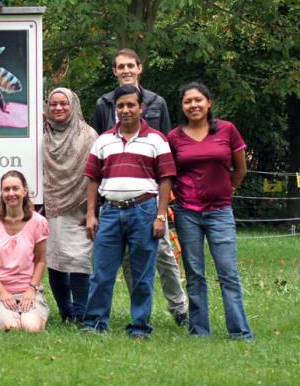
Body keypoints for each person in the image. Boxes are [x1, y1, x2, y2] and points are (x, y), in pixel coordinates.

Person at [90, 48, 187, 326]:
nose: (126, 70)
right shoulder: (103, 104)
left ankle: (179, 309)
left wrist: (163, 206)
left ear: (140, 67)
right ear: (114, 71)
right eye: (120, 67)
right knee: (129, 263)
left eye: (130, 65)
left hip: (150, 198)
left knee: (165, 254)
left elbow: (167, 149)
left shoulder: (156, 102)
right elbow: (99, 148)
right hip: (115, 196)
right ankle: (138, 313)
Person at [81, 85, 175, 338]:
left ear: (141, 107)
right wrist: (91, 214)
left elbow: (166, 179)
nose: (125, 110)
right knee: (101, 273)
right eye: (120, 106)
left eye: (131, 105)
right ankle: (95, 323)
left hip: (144, 211)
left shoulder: (157, 139)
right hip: (110, 212)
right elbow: (92, 179)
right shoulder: (103, 141)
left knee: (143, 275)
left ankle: (140, 326)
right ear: (115, 109)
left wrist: (160, 215)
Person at [168, 83, 253, 340]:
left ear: (209, 102)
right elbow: (170, 175)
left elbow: (241, 169)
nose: (193, 105)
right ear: (182, 107)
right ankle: (199, 331)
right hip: (186, 212)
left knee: (228, 273)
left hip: (220, 212)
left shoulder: (228, 130)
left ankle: (239, 332)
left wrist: (228, 190)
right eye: (188, 102)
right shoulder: (174, 137)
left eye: (198, 100)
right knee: (194, 274)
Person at [43, 88, 98, 324]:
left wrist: (93, 210)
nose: (58, 108)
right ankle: (65, 311)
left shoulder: (88, 135)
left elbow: (96, 175)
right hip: (49, 206)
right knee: (54, 259)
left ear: (73, 105)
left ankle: (80, 311)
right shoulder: (39, 134)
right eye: (53, 104)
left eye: (63, 103)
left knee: (79, 260)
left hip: (80, 207)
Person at [0, 170, 50, 332]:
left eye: (15, 188)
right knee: (12, 328)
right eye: (6, 189)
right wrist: (3, 292)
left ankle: (31, 312)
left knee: (31, 328)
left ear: (25, 191)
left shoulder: (38, 222)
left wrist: (31, 290)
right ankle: (3, 314)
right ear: (1, 193)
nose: (11, 193)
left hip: (28, 290)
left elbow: (40, 260)